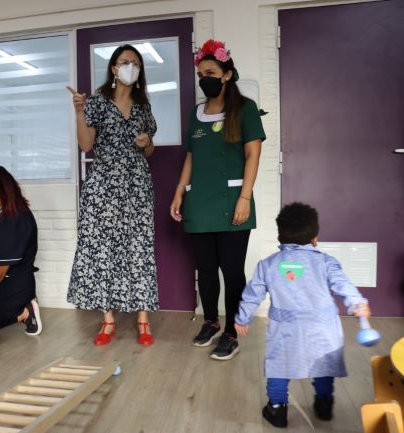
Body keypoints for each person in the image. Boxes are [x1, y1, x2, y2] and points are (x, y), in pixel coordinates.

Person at [234, 202, 371, 428]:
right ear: (315, 237)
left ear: (280, 236)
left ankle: (277, 409)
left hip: (285, 329)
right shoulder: (326, 262)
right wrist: (357, 303)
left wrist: (243, 318)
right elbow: (342, 284)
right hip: (323, 327)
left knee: (279, 367)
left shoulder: (267, 265)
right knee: (324, 366)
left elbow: (252, 294)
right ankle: (324, 404)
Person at [170, 39, 265, 359]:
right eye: (200, 74)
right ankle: (210, 321)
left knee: (233, 272)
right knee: (206, 270)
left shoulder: (245, 109)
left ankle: (231, 333)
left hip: (232, 201)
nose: (204, 79)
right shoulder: (196, 114)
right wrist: (179, 190)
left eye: (210, 73)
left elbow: (253, 155)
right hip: (200, 202)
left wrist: (245, 198)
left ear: (226, 74)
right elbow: (191, 156)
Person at [66, 44, 158, 346]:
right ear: (113, 68)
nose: (130, 66)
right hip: (103, 186)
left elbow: (150, 150)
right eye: (123, 61)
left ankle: (143, 319)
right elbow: (85, 145)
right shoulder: (97, 102)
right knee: (102, 250)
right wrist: (79, 111)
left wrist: (145, 143)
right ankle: (108, 319)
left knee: (139, 248)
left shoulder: (143, 106)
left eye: (135, 62)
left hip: (137, 187)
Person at [0, 166, 41, 338]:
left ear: (3, 193)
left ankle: (24, 312)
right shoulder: (0, 214)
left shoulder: (10, 222)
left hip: (9, 284)